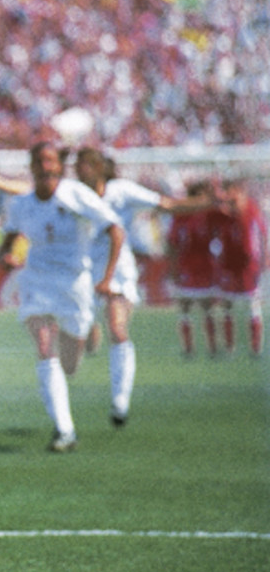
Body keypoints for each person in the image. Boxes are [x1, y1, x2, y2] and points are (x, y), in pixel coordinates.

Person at [73, 147, 216, 425]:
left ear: (97, 168)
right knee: (86, 341)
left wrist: (204, 202)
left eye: (84, 165)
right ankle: (89, 332)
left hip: (118, 271)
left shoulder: (121, 191)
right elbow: (33, 193)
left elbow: (166, 204)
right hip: (83, 272)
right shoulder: (74, 194)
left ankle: (120, 402)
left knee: (118, 328)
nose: (78, 171)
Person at [0, 142, 124, 452]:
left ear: (59, 166)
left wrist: (106, 278)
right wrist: (7, 256)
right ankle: (65, 431)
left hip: (74, 284)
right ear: (32, 167)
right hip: (37, 281)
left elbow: (115, 229)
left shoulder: (76, 195)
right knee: (44, 346)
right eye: (39, 161)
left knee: (69, 366)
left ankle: (88, 329)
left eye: (51, 161)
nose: (46, 167)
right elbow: (9, 239)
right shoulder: (22, 205)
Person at [166, 183, 224, 357]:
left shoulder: (210, 216)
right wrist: (173, 268)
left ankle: (213, 347)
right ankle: (188, 348)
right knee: (184, 308)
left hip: (206, 267)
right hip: (186, 267)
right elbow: (172, 244)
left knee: (208, 308)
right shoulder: (180, 217)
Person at [212, 178, 267, 356]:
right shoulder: (227, 215)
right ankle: (229, 346)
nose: (228, 197)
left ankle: (255, 346)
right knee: (227, 305)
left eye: (232, 192)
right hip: (229, 263)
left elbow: (260, 238)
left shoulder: (250, 211)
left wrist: (262, 260)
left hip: (248, 264)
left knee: (252, 305)